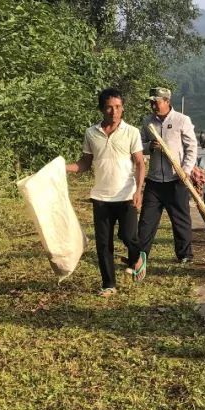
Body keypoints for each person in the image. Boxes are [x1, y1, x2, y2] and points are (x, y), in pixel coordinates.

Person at [67, 88, 147, 296]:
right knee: (103, 244)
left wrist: (139, 191)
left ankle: (138, 257)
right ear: (102, 109)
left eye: (118, 107)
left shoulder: (132, 132)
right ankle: (108, 284)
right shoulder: (91, 133)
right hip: (101, 197)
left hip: (126, 195)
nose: (114, 111)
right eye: (109, 107)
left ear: (123, 108)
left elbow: (139, 163)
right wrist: (62, 167)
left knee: (129, 236)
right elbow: (84, 163)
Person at [137, 86, 198, 268]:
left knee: (181, 220)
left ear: (166, 101)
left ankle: (184, 255)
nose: (153, 105)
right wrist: (150, 146)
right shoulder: (148, 122)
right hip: (154, 181)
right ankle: (140, 256)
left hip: (176, 179)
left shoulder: (181, 120)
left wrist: (186, 170)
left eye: (156, 101)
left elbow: (191, 147)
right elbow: (139, 146)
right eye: (151, 102)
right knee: (146, 221)